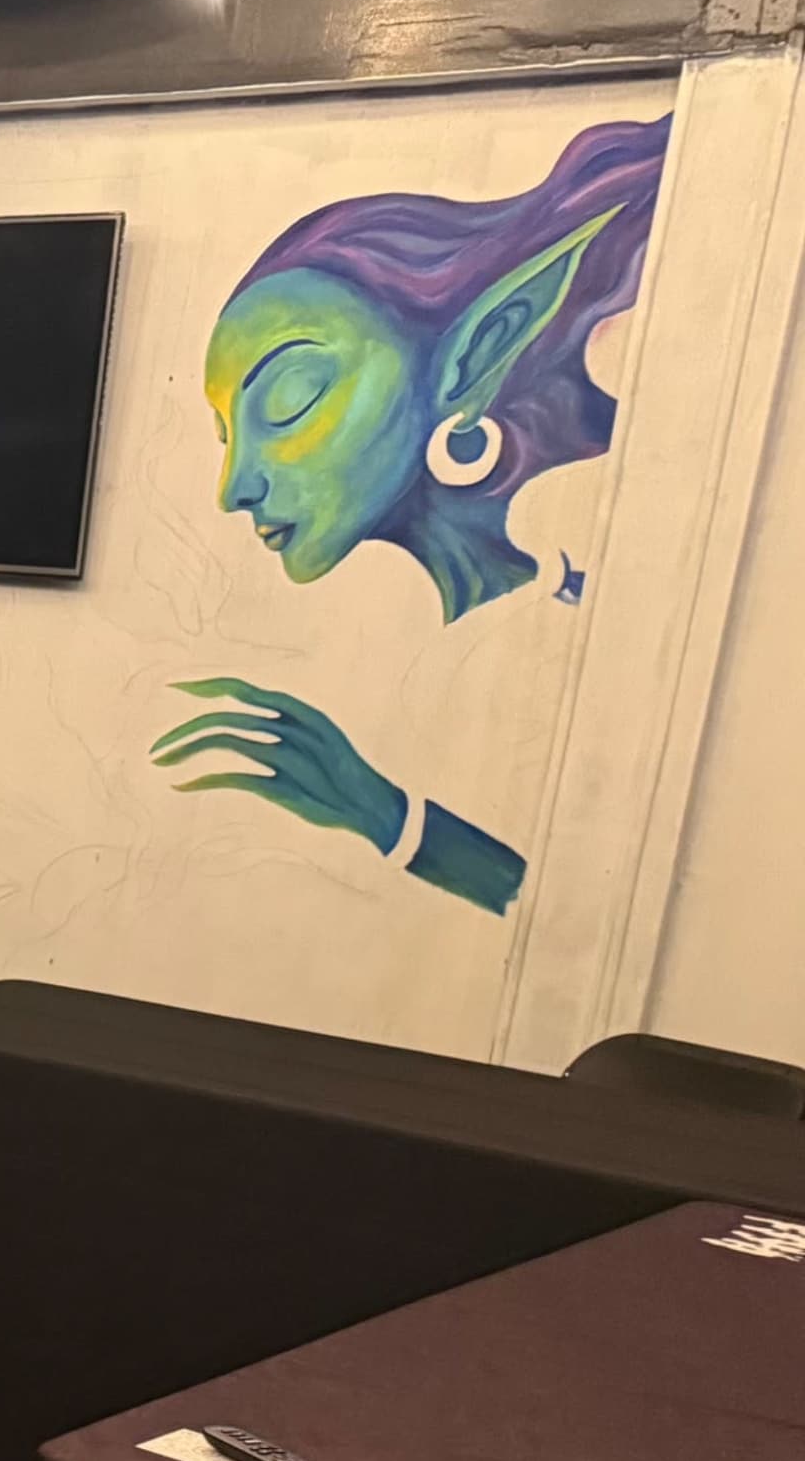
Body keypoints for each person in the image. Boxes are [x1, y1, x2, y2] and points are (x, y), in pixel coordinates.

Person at [153, 115, 671, 914]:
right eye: (226, 436)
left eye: (288, 401)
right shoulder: (450, 642)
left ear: (473, 353)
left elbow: (591, 916)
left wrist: (389, 818)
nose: (234, 488)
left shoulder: (595, 607)